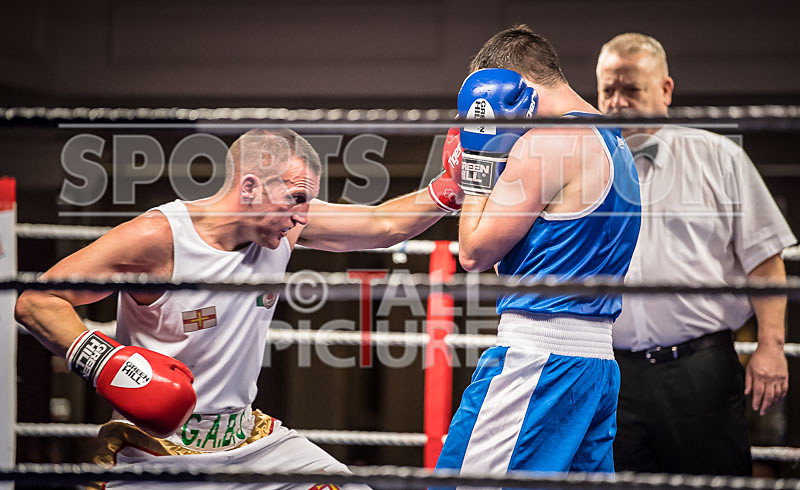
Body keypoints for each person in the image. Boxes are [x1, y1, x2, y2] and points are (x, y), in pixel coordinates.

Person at [14, 128, 458, 488]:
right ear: (249, 187)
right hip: (157, 454)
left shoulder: (285, 226)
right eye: (295, 199)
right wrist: (106, 361)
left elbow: (383, 225)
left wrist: (449, 186)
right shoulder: (159, 238)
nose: (303, 217)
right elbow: (37, 300)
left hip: (251, 443)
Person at [434, 25, 641, 475]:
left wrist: (477, 164)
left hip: (538, 360)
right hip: (596, 365)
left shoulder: (545, 141)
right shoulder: (614, 140)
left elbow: (473, 253)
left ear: (510, 88)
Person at [596, 32, 795, 475]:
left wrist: (771, 345)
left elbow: (765, 260)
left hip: (699, 371)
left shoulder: (719, 158)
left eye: (632, 89)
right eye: (608, 89)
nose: (617, 102)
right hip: (610, 371)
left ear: (666, 90)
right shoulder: (583, 165)